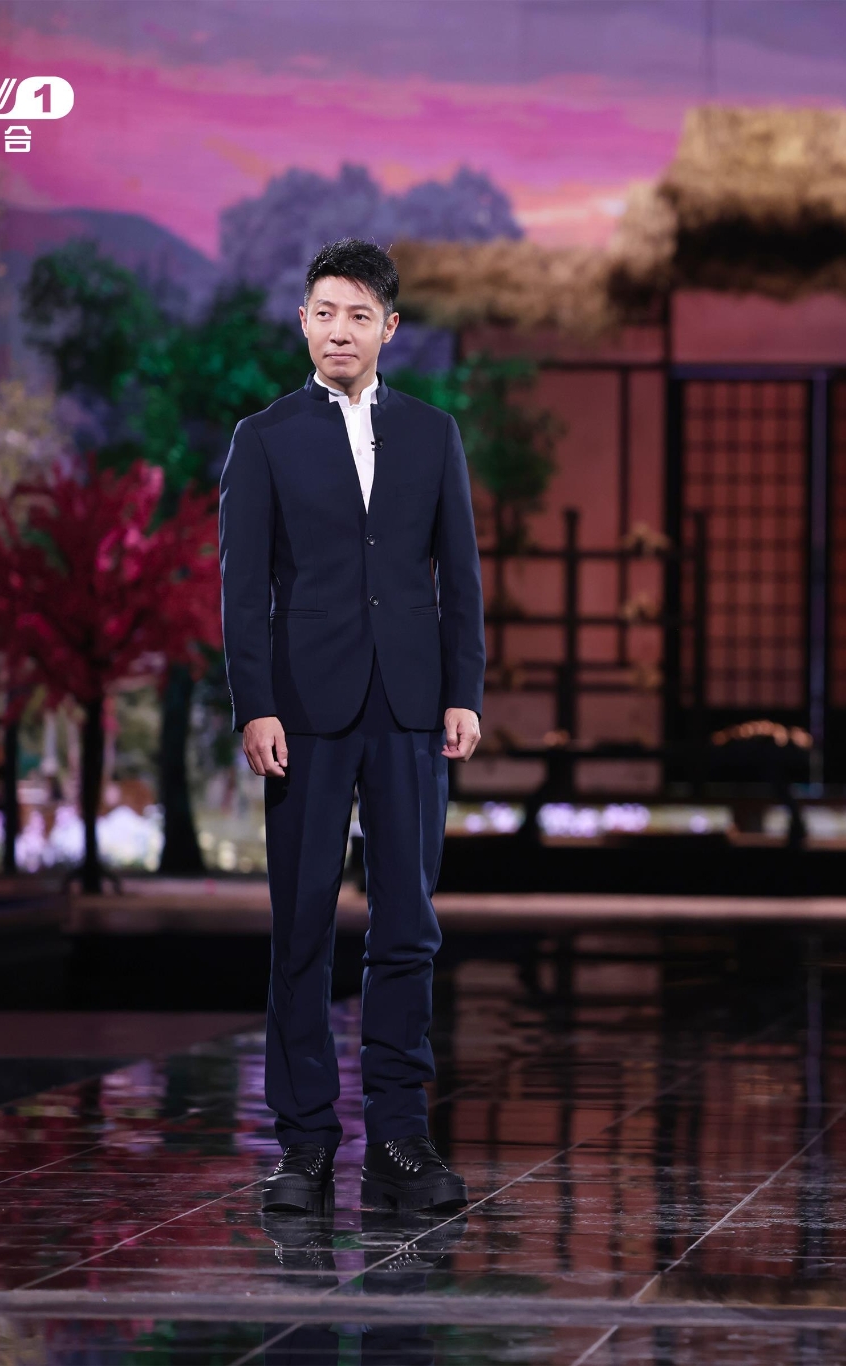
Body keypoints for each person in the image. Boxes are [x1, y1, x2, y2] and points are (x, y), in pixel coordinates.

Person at [219, 237, 486, 1215]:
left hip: (410, 706)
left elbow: (459, 576)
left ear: (389, 328)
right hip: (304, 710)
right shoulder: (265, 438)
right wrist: (255, 705)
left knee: (406, 924)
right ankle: (303, 1147)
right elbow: (242, 590)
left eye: (359, 315)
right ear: (304, 322)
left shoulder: (432, 433)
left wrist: (464, 691)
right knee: (301, 927)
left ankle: (399, 1140)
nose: (341, 330)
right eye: (325, 313)